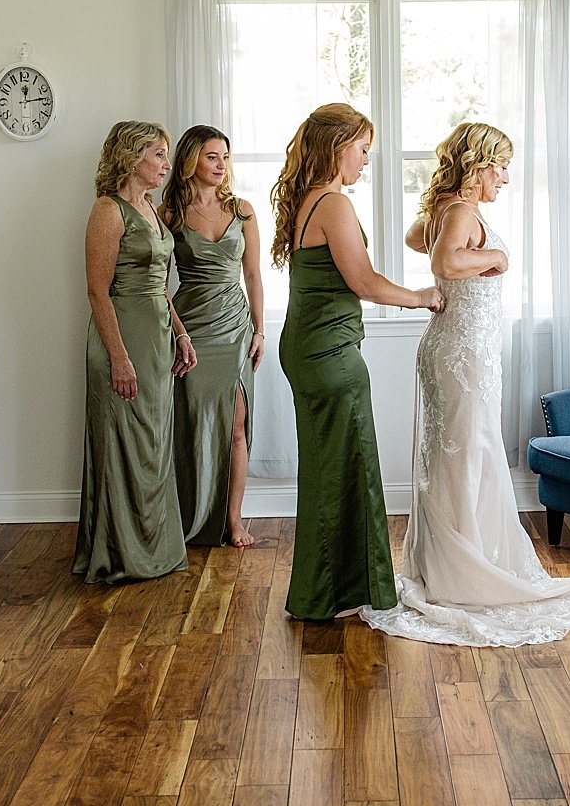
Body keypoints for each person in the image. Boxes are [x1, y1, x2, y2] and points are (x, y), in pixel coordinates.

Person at [361, 122, 570, 645]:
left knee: (464, 453)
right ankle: (462, 570)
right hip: (461, 354)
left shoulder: (452, 210)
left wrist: (458, 236)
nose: (505, 178)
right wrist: (496, 257)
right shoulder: (459, 211)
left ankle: (460, 558)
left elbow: (417, 237)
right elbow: (444, 259)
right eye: (500, 166)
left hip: (463, 349)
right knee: (462, 454)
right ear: (478, 166)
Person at [271, 103, 445, 621]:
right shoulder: (334, 204)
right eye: (363, 150)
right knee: (349, 470)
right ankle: (332, 594)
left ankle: (331, 589)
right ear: (337, 146)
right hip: (329, 355)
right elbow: (364, 282)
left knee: (331, 470)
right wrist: (422, 297)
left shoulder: (308, 199)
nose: (366, 161)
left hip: (307, 348)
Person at [73, 121, 197, 584]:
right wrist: (119, 358)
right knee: (124, 444)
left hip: (156, 339)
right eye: (159, 154)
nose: (167, 164)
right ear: (131, 156)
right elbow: (97, 291)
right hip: (121, 340)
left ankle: (156, 548)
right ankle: (121, 553)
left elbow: (162, 287)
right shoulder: (109, 210)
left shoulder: (151, 208)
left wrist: (180, 335)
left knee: (154, 443)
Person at [162, 125, 263, 548]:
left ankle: (234, 520)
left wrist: (260, 328)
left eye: (225, 157)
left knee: (235, 424)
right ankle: (189, 516)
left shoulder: (243, 211)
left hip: (236, 329)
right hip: (192, 328)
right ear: (191, 160)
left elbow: (254, 274)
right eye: (211, 157)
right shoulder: (169, 214)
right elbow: (155, 282)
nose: (222, 165)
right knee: (191, 425)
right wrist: (176, 330)